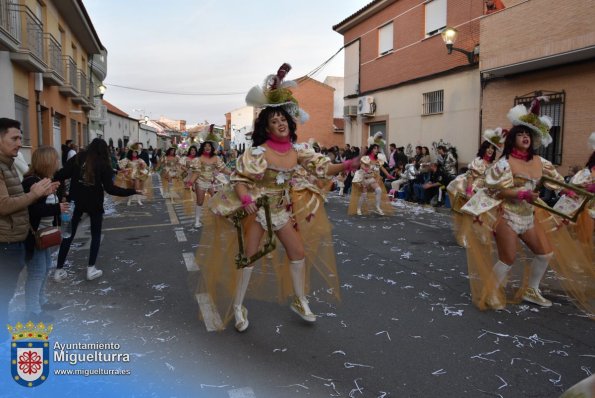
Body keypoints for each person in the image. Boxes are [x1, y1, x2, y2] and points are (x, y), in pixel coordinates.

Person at [196, 63, 358, 332]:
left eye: (283, 120)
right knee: (249, 258)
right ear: (267, 128)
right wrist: (247, 201)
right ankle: (238, 306)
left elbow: (323, 167)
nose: (280, 124)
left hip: (282, 210)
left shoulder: (298, 150)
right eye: (274, 121)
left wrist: (348, 165)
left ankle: (300, 299)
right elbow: (240, 180)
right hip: (258, 209)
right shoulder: (258, 152)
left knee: (297, 252)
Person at [54, 138, 139, 282]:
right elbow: (110, 189)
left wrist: (61, 193)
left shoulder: (78, 157)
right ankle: (91, 268)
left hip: (74, 202)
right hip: (94, 203)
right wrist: (132, 191)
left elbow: (61, 174)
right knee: (96, 235)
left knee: (68, 235)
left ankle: (59, 270)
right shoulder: (103, 163)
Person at [0, 118, 57, 328]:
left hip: (16, 238)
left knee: (6, 292)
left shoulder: (8, 166)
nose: (19, 143)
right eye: (14, 138)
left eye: (20, 138)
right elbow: (4, 205)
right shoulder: (11, 171)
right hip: (9, 242)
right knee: (6, 292)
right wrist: (36, 195)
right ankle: (25, 318)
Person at [22, 146, 68, 322]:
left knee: (45, 267)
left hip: (44, 235)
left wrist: (58, 194)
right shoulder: (31, 182)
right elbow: (32, 210)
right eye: (55, 159)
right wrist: (56, 207)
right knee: (36, 272)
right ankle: (32, 311)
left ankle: (41, 301)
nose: (58, 162)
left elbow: (43, 202)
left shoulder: (43, 179)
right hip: (34, 236)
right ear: (47, 161)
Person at [186, 140, 229, 228]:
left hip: (211, 182)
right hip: (200, 181)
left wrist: (232, 173)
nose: (207, 147)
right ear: (202, 148)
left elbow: (223, 169)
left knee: (215, 199)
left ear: (212, 148)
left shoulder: (216, 158)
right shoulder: (198, 159)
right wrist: (190, 182)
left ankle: (218, 214)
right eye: (205, 146)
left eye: (209, 146)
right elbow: (196, 173)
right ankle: (197, 220)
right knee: (200, 202)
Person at [348, 144, 394, 216]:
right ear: (371, 149)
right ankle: (359, 208)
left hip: (371, 178)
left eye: (377, 148)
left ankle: (377, 207)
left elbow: (382, 168)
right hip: (363, 178)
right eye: (375, 148)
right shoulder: (366, 157)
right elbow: (362, 165)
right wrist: (366, 169)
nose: (376, 150)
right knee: (364, 194)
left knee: (379, 190)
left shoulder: (377, 160)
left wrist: (388, 175)